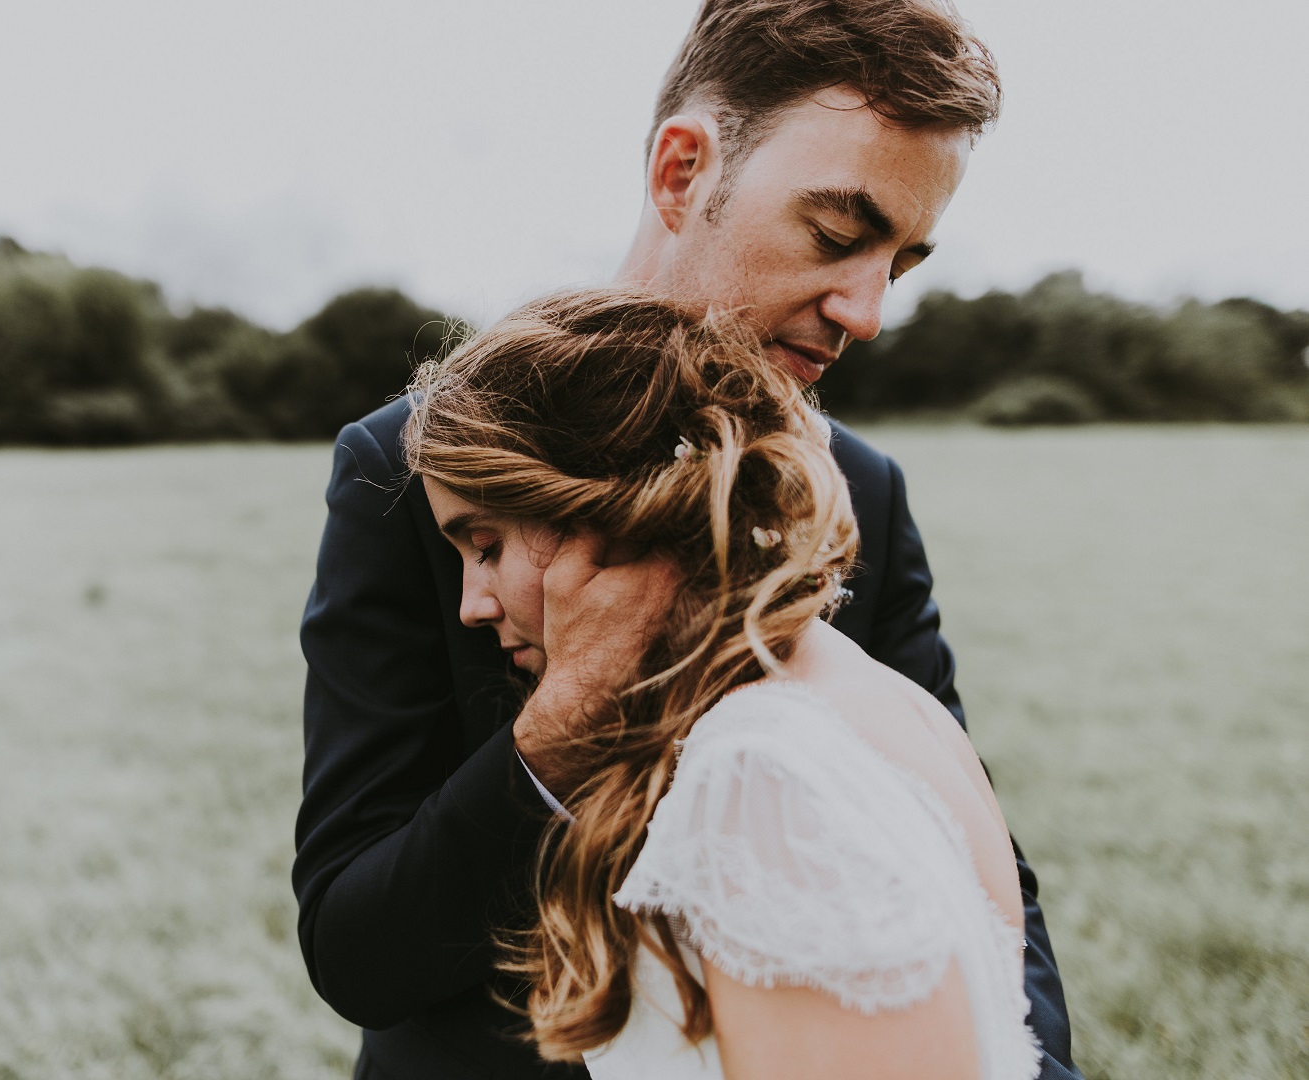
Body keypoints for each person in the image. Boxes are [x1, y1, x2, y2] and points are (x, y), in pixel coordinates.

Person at [294, 2, 1081, 1078]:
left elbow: (970, 868)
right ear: (682, 172)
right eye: (837, 235)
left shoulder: (859, 492)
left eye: (899, 264)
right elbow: (355, 948)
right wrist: (565, 723)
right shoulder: (415, 469)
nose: (866, 312)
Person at [404, 287, 1041, 1080]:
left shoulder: (763, 778)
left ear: (608, 515)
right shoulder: (879, 696)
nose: (471, 605)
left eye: (487, 546)